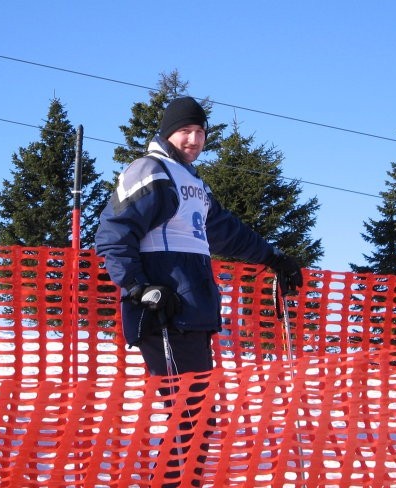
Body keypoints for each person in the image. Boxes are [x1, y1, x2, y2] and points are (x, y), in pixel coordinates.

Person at [95, 96, 302, 486]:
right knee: (190, 419)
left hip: (193, 314)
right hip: (165, 314)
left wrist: (273, 259)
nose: (193, 139)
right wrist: (138, 287)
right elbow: (112, 235)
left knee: (196, 420)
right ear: (167, 132)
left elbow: (227, 232)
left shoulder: (192, 182)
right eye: (185, 130)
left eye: (200, 132)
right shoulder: (150, 171)